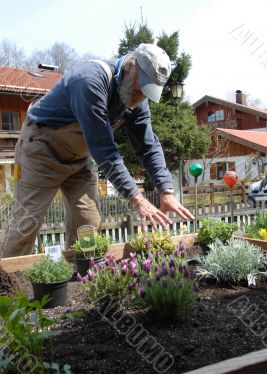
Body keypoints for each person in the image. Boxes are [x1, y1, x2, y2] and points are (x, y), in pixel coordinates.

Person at [1, 43, 194, 258]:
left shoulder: (137, 100)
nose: (142, 95)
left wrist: (165, 190)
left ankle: (80, 276)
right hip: (41, 152)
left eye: (149, 91)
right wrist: (137, 199)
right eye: (142, 86)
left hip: (79, 158)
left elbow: (148, 146)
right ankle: (6, 285)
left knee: (88, 223)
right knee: (26, 223)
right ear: (131, 65)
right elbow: (104, 149)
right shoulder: (90, 80)